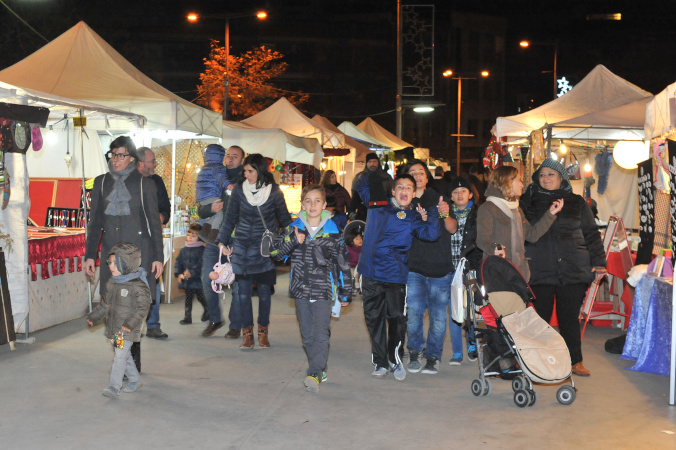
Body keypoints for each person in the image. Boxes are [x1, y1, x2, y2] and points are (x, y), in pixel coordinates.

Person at [520, 158, 607, 377]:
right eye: (542, 175)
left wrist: (598, 263)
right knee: (540, 317)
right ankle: (538, 361)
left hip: (573, 266)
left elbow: (591, 234)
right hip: (540, 268)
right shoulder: (527, 202)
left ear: (561, 178)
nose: (546, 178)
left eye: (551, 174)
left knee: (569, 317)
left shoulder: (577, 202)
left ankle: (574, 361)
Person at [357, 172, 440, 381]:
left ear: (413, 194)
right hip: (370, 273)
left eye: (409, 188)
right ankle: (380, 363)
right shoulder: (377, 205)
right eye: (400, 187)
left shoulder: (413, 216)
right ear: (393, 191)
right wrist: (372, 172)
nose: (404, 191)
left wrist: (431, 211)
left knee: (396, 320)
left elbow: (431, 234)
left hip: (395, 276)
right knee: (374, 321)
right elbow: (361, 185)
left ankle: (395, 360)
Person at [270, 184, 351, 392]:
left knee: (321, 333)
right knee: (307, 335)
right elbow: (276, 255)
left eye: (317, 201)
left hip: (324, 290)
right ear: (302, 204)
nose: (312, 204)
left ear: (324, 204)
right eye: (308, 201)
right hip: (300, 290)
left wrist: (345, 291)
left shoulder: (334, 232)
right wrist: (292, 241)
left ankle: (314, 372)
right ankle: (320, 368)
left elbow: (342, 263)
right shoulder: (294, 228)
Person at [84, 137, 163, 349]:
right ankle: (122, 358)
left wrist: (158, 258)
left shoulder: (144, 183)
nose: (116, 159)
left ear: (131, 158)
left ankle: (131, 362)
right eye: (113, 154)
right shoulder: (100, 182)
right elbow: (95, 223)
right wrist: (90, 255)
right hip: (112, 258)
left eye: (121, 155)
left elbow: (154, 224)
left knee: (134, 312)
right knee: (114, 309)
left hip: (139, 256)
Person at [216, 153, 292, 350]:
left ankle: (263, 333)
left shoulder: (274, 192)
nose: (247, 174)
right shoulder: (240, 191)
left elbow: (285, 219)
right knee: (243, 293)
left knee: (265, 294)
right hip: (241, 246)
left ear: (260, 170)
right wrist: (222, 241)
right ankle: (247, 334)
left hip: (264, 249)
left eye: (250, 171)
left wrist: (296, 238)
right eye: (245, 171)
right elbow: (230, 218)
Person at [403, 160, 456, 375]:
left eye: (421, 172)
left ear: (427, 177)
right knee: (414, 313)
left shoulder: (437, 197)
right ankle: (415, 351)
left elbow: (452, 229)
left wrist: (444, 213)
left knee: (438, 316)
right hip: (414, 266)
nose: (417, 176)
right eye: (412, 173)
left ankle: (433, 355)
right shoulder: (402, 200)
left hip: (440, 265)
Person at [86, 242, 151, 398]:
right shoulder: (113, 283)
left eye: (116, 263)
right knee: (125, 355)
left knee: (120, 356)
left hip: (127, 328)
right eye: (110, 263)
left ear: (127, 264)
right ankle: (135, 380)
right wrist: (94, 317)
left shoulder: (138, 286)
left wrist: (129, 325)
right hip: (116, 327)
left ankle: (114, 387)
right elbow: (105, 304)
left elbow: (142, 309)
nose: (111, 266)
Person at [476, 165, 563, 282]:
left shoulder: (517, 209)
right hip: (498, 274)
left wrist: (550, 214)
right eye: (519, 180)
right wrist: (494, 248)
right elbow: (482, 240)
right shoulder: (488, 208)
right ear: (507, 181)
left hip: (519, 274)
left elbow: (532, 235)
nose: (522, 185)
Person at [197, 145, 244, 339]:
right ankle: (216, 318)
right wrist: (211, 209)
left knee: (238, 285)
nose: (230, 159)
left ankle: (235, 325)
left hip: (237, 239)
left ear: (242, 160)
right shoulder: (214, 173)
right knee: (207, 278)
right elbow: (200, 210)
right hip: (213, 238)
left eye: (235, 156)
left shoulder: (245, 180)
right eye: (228, 156)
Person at [447, 177, 483, 366]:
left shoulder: (479, 214)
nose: (459, 194)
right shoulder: (445, 213)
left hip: (469, 268)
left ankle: (471, 344)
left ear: (470, 194)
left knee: (469, 309)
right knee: (454, 310)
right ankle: (457, 352)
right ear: (451, 196)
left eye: (463, 191)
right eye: (455, 192)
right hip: (449, 269)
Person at [136, 146, 170, 339]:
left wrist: (162, 216)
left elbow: (166, 207)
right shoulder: (130, 182)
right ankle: (132, 325)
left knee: (154, 280)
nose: (156, 164)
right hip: (133, 242)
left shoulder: (157, 181)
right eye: (152, 161)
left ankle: (153, 324)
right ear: (140, 163)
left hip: (152, 239)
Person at [175, 223, 208, 325]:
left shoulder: (202, 250)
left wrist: (192, 272)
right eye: (189, 235)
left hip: (198, 279)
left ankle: (208, 310)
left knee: (200, 296)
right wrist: (179, 274)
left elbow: (201, 264)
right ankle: (187, 317)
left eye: (193, 236)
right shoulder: (183, 250)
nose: (190, 238)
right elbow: (178, 262)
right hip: (187, 280)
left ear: (199, 238)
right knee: (188, 298)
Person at [348, 153, 393, 221]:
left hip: (383, 211)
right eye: (370, 162)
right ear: (366, 163)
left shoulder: (386, 177)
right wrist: (352, 211)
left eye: (374, 161)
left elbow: (392, 193)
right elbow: (354, 194)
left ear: (378, 162)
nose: (372, 164)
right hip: (363, 212)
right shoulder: (359, 177)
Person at [344, 222, 364, 296]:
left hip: (358, 266)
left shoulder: (362, 249)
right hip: (350, 266)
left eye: (361, 238)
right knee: (351, 274)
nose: (360, 240)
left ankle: (358, 286)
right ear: (351, 241)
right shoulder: (348, 249)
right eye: (357, 239)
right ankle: (352, 287)